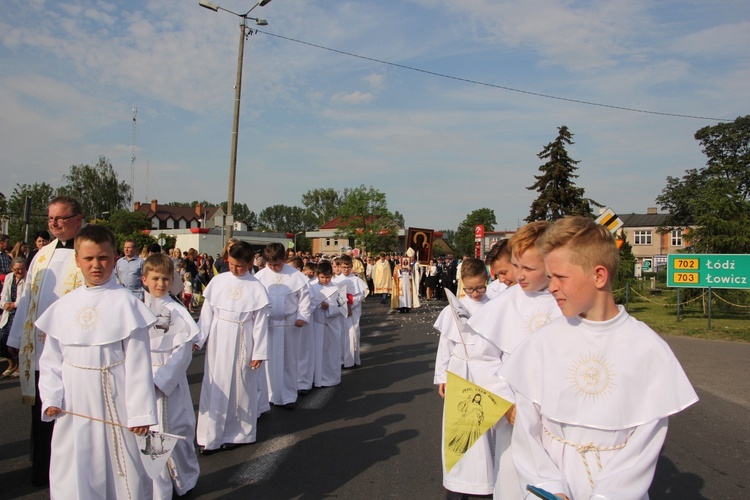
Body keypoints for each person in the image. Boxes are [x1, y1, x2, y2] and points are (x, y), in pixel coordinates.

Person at [498, 216, 699, 500]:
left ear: (599, 276)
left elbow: (643, 445)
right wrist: (551, 489)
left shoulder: (646, 348)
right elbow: (527, 435)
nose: (551, 286)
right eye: (550, 276)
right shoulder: (542, 344)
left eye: (560, 277)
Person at [36, 225, 158, 498]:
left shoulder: (127, 304)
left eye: (103, 258)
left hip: (117, 401)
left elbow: (138, 365)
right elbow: (52, 361)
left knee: (123, 469)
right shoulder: (64, 306)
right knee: (75, 469)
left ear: (114, 258)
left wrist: (141, 413)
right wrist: (52, 397)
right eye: (89, 259)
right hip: (73, 404)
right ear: (77, 260)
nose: (96, 265)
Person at [467, 221, 562, 500]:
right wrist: (505, 402)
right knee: (513, 481)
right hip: (516, 411)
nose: (518, 276)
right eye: (516, 266)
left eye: (528, 268)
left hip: (556, 412)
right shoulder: (504, 304)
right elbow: (482, 359)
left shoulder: (568, 299)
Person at [7, 195, 84, 486]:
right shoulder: (41, 255)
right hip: (38, 346)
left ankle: (70, 473)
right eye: (50, 218)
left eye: (60, 218)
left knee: (71, 409)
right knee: (42, 409)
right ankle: (42, 468)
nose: (53, 223)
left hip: (71, 347)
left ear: (77, 219)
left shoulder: (88, 251)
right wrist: (17, 338)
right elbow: (26, 300)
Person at [194, 240, 270, 454]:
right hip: (219, 338)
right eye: (232, 264)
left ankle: (239, 433)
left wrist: (259, 351)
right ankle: (210, 433)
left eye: (241, 266)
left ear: (250, 263)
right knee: (215, 384)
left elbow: (260, 324)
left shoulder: (256, 287)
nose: (236, 270)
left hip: (243, 339)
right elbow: (207, 314)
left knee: (240, 386)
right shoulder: (218, 282)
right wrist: (199, 339)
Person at [433, 258, 496, 498]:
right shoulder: (453, 309)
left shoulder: (496, 306)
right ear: (462, 285)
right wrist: (443, 377)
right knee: (460, 427)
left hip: (488, 370)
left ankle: (487, 480)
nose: (476, 293)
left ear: (487, 280)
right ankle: (460, 479)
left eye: (480, 287)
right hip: (459, 371)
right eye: (469, 289)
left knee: (485, 427)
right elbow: (445, 345)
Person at [142, 253, 200, 498]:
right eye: (155, 278)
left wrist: (163, 379)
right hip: (142, 377)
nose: (160, 284)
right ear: (144, 279)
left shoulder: (176, 311)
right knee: (148, 431)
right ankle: (155, 485)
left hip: (168, 380)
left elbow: (183, 350)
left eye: (166, 279)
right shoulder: (137, 307)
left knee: (174, 428)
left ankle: (181, 478)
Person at [254, 243, 311, 410]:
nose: (274, 268)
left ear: (284, 259)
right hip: (267, 324)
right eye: (270, 264)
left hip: (289, 323)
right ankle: (269, 395)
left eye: (277, 264)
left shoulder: (296, 276)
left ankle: (288, 395)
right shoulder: (260, 276)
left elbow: (305, 298)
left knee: (288, 360)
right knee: (267, 360)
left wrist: (302, 316)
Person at [310, 261, 346, 387]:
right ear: (317, 275)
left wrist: (329, 306)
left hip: (332, 325)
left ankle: (331, 378)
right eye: (322, 277)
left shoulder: (338, 288)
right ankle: (315, 378)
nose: (325, 280)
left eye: (327, 277)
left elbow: (343, 308)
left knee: (331, 352)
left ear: (331, 275)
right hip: (316, 324)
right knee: (316, 352)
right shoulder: (311, 287)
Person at [333, 255, 369, 368]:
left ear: (351, 266)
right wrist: (344, 307)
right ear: (340, 267)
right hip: (341, 312)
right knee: (341, 335)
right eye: (343, 267)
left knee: (353, 334)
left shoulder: (357, 280)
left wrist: (350, 306)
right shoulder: (336, 280)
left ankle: (353, 360)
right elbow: (335, 296)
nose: (346, 270)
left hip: (353, 312)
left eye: (348, 267)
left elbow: (361, 294)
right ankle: (341, 361)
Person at [1, 257, 26, 378]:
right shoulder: (9, 277)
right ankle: (11, 363)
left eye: (22, 269)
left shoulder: (28, 278)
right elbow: (4, 294)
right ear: (12, 269)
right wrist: (4, 304)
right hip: (8, 313)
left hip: (20, 313)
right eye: (17, 269)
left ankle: (20, 366)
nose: (19, 272)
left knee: (15, 343)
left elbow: (26, 297)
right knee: (2, 341)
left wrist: (15, 304)